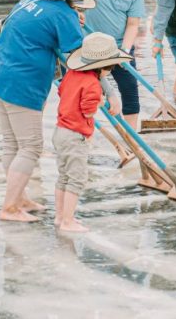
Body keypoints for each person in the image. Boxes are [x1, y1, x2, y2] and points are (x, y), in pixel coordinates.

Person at [0, 0, 104, 223]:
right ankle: (10, 208)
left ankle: (19, 198)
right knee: (30, 146)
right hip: (21, 84)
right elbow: (79, 59)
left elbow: (12, 24)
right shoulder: (63, 14)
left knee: (11, 143)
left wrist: (69, 20)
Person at [56, 32, 132, 233]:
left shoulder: (72, 74)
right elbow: (88, 111)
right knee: (77, 179)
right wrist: (101, 101)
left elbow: (61, 91)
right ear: (104, 66)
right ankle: (68, 221)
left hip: (60, 131)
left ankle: (60, 216)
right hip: (75, 136)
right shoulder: (92, 84)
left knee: (63, 176)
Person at [84, 0, 151, 128]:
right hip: (91, 47)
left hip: (120, 46)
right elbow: (74, 1)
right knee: (87, 92)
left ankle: (131, 137)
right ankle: (85, 133)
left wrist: (125, 51)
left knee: (130, 91)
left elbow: (133, 24)